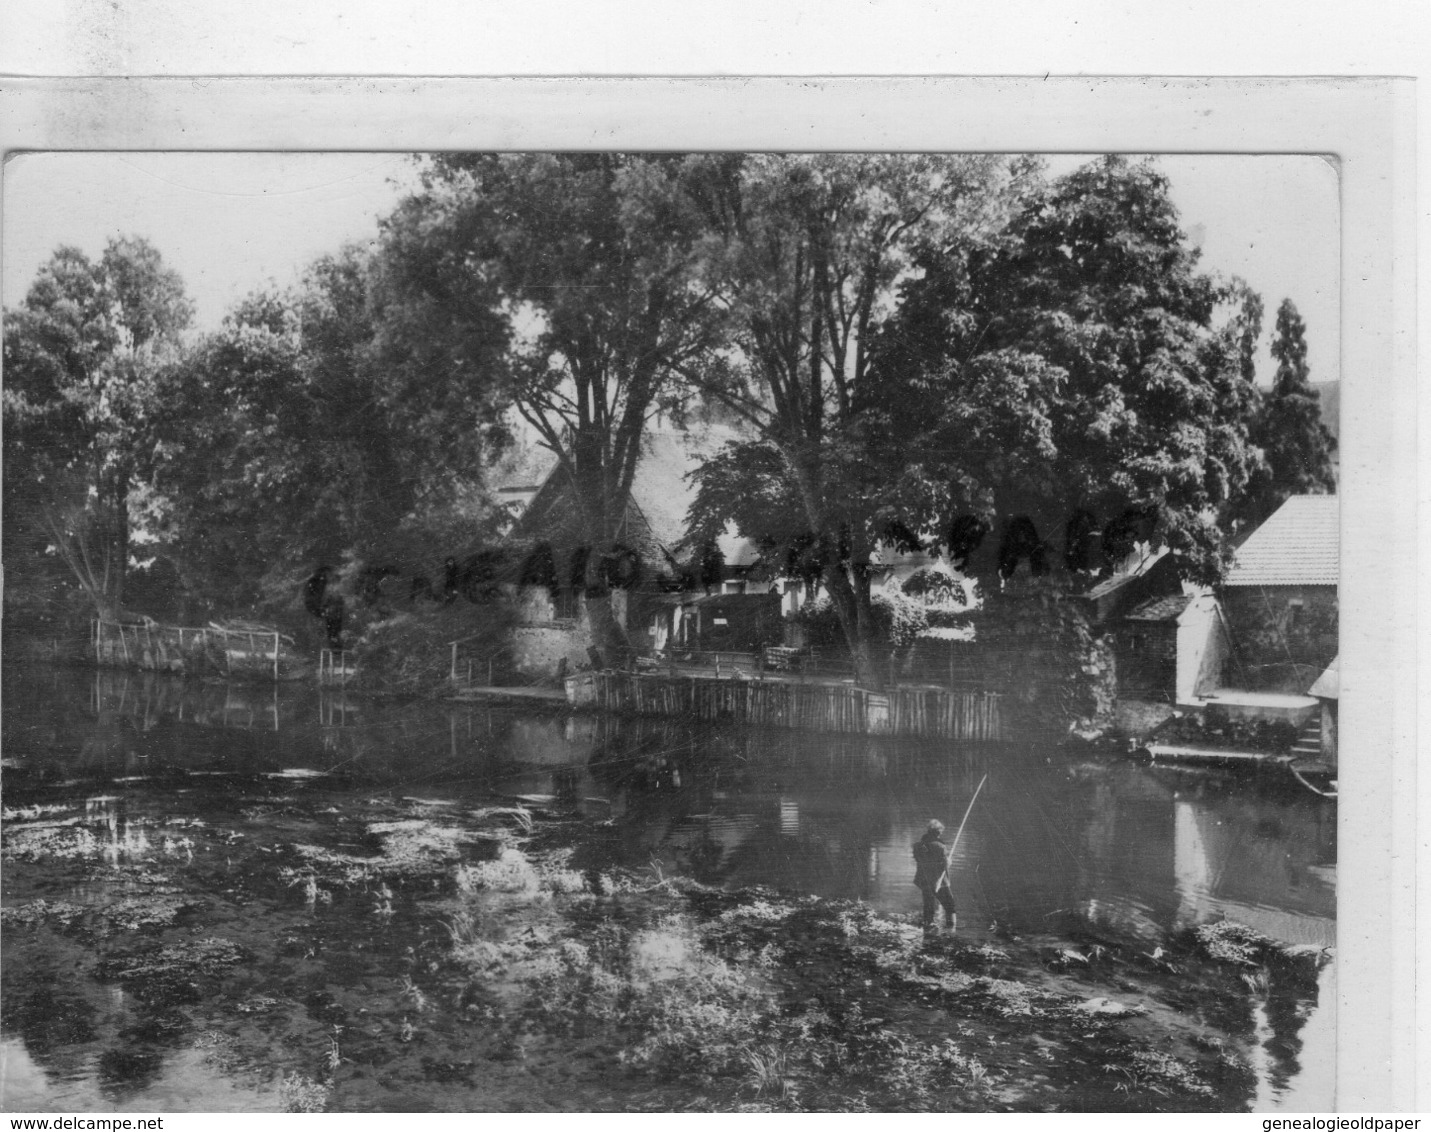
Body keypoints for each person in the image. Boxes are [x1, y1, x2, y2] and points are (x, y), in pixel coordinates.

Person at [912, 819, 957, 934]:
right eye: (940, 831)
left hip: (923, 881)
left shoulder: (917, 846)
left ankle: (927, 931)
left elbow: (919, 859)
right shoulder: (940, 846)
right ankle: (951, 931)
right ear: (938, 832)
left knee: (928, 906)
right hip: (939, 882)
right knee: (950, 906)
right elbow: (946, 865)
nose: (941, 833)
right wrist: (949, 861)